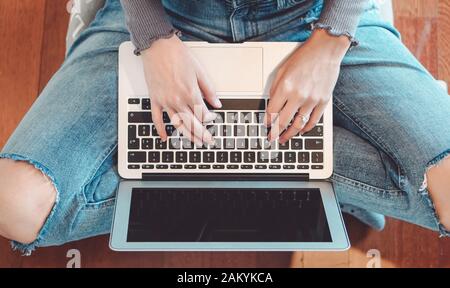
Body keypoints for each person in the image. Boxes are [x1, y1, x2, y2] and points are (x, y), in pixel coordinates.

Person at [0, 0, 449, 255]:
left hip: (314, 17)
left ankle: (219, 159)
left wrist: (331, 41)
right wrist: (153, 37)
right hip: (165, 12)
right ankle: (300, 170)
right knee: (15, 204)